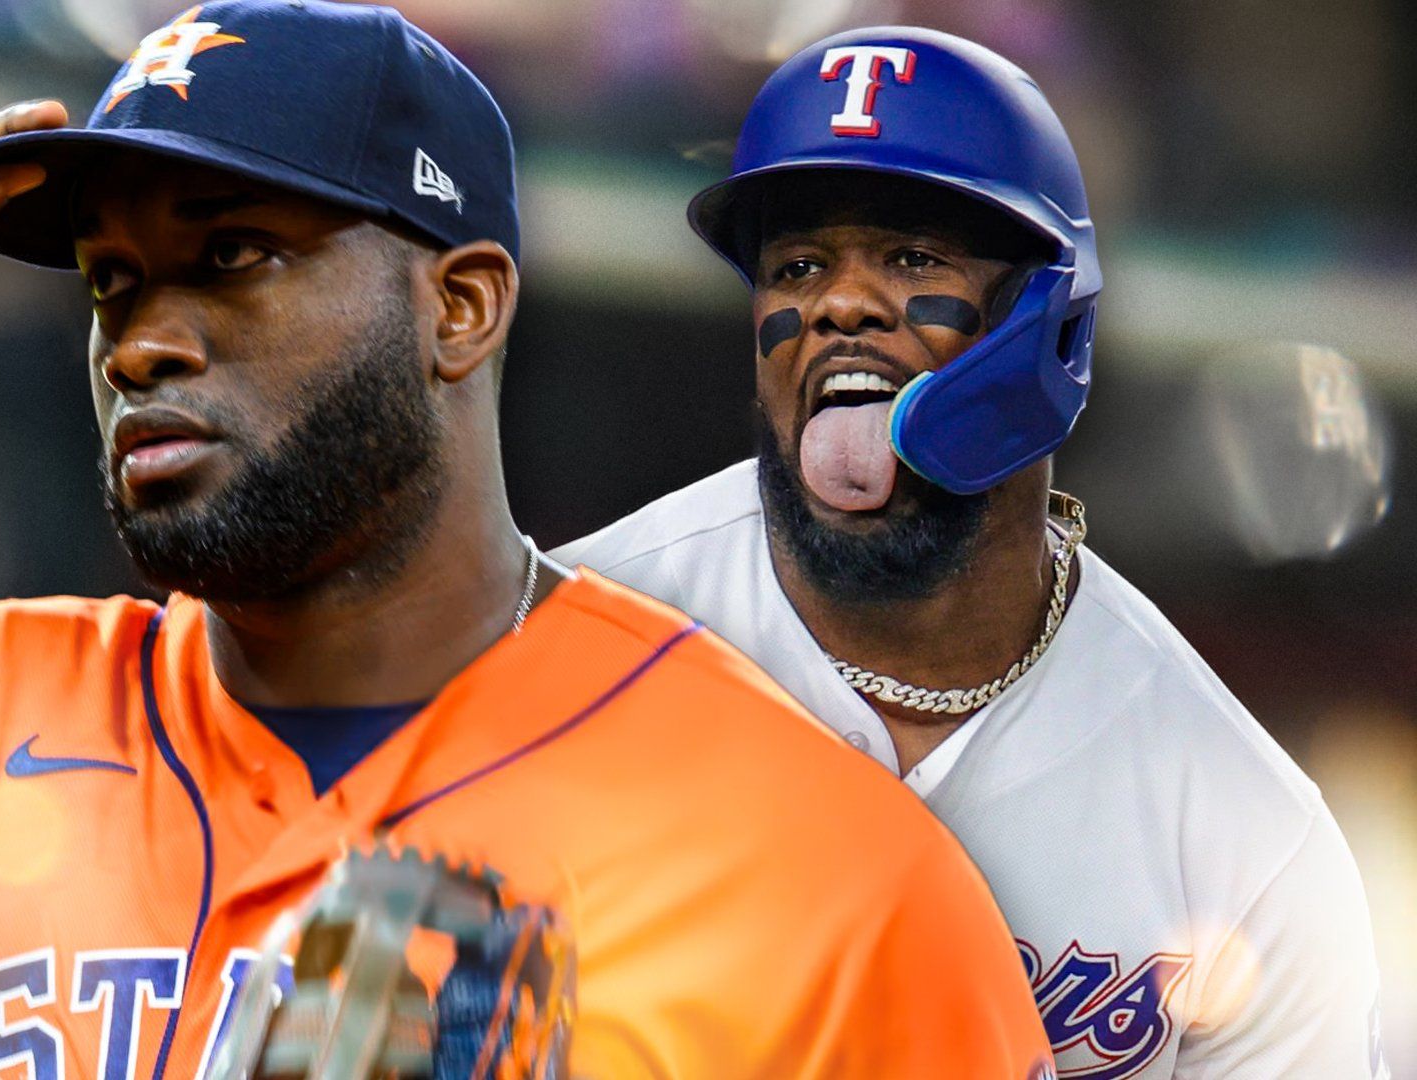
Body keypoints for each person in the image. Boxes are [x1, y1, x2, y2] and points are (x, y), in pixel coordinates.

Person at [0, 3, 1056, 1077]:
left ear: (460, 308)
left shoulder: (821, 878)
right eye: (113, 281)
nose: (140, 343)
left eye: (232, 257)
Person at [556, 26, 1389, 1079]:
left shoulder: (1244, 838)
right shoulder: (576, 633)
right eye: (797, 265)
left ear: (1054, 326)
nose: (837, 304)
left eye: (912, 258)